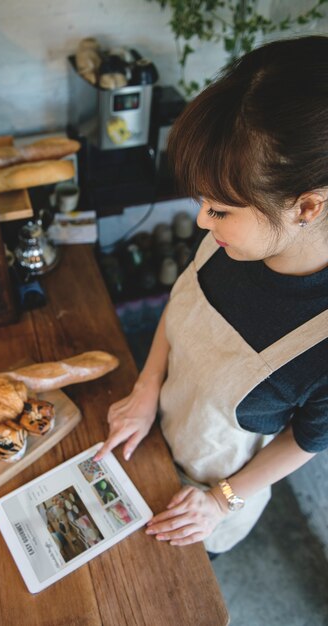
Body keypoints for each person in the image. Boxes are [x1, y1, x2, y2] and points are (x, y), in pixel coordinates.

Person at [94, 36, 328, 556]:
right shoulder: (232, 243)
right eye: (204, 204)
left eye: (219, 210)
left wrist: (221, 501)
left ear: (306, 207)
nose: (202, 222)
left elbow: (310, 438)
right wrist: (147, 387)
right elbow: (183, 306)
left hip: (203, 493)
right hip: (152, 433)